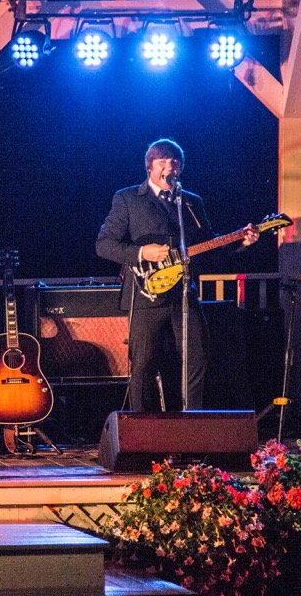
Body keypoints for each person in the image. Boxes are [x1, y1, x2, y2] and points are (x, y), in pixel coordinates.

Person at [96, 138, 258, 412]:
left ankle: (192, 420)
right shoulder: (128, 199)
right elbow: (104, 245)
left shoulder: (191, 202)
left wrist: (241, 241)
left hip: (183, 292)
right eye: (162, 161)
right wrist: (142, 252)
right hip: (145, 295)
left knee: (197, 358)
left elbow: (208, 246)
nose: (169, 166)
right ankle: (142, 426)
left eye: (174, 162)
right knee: (144, 363)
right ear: (149, 167)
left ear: (180, 168)